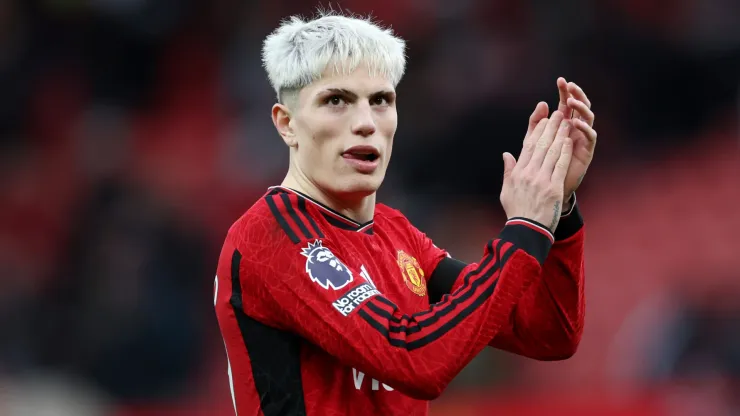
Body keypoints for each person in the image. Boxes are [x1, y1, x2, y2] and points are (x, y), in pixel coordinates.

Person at [214, 11, 597, 416]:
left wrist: (560, 209)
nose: (365, 123)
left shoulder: (396, 233)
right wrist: (524, 228)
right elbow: (414, 359)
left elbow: (549, 332)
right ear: (287, 124)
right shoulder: (270, 234)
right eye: (336, 101)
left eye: (380, 100)